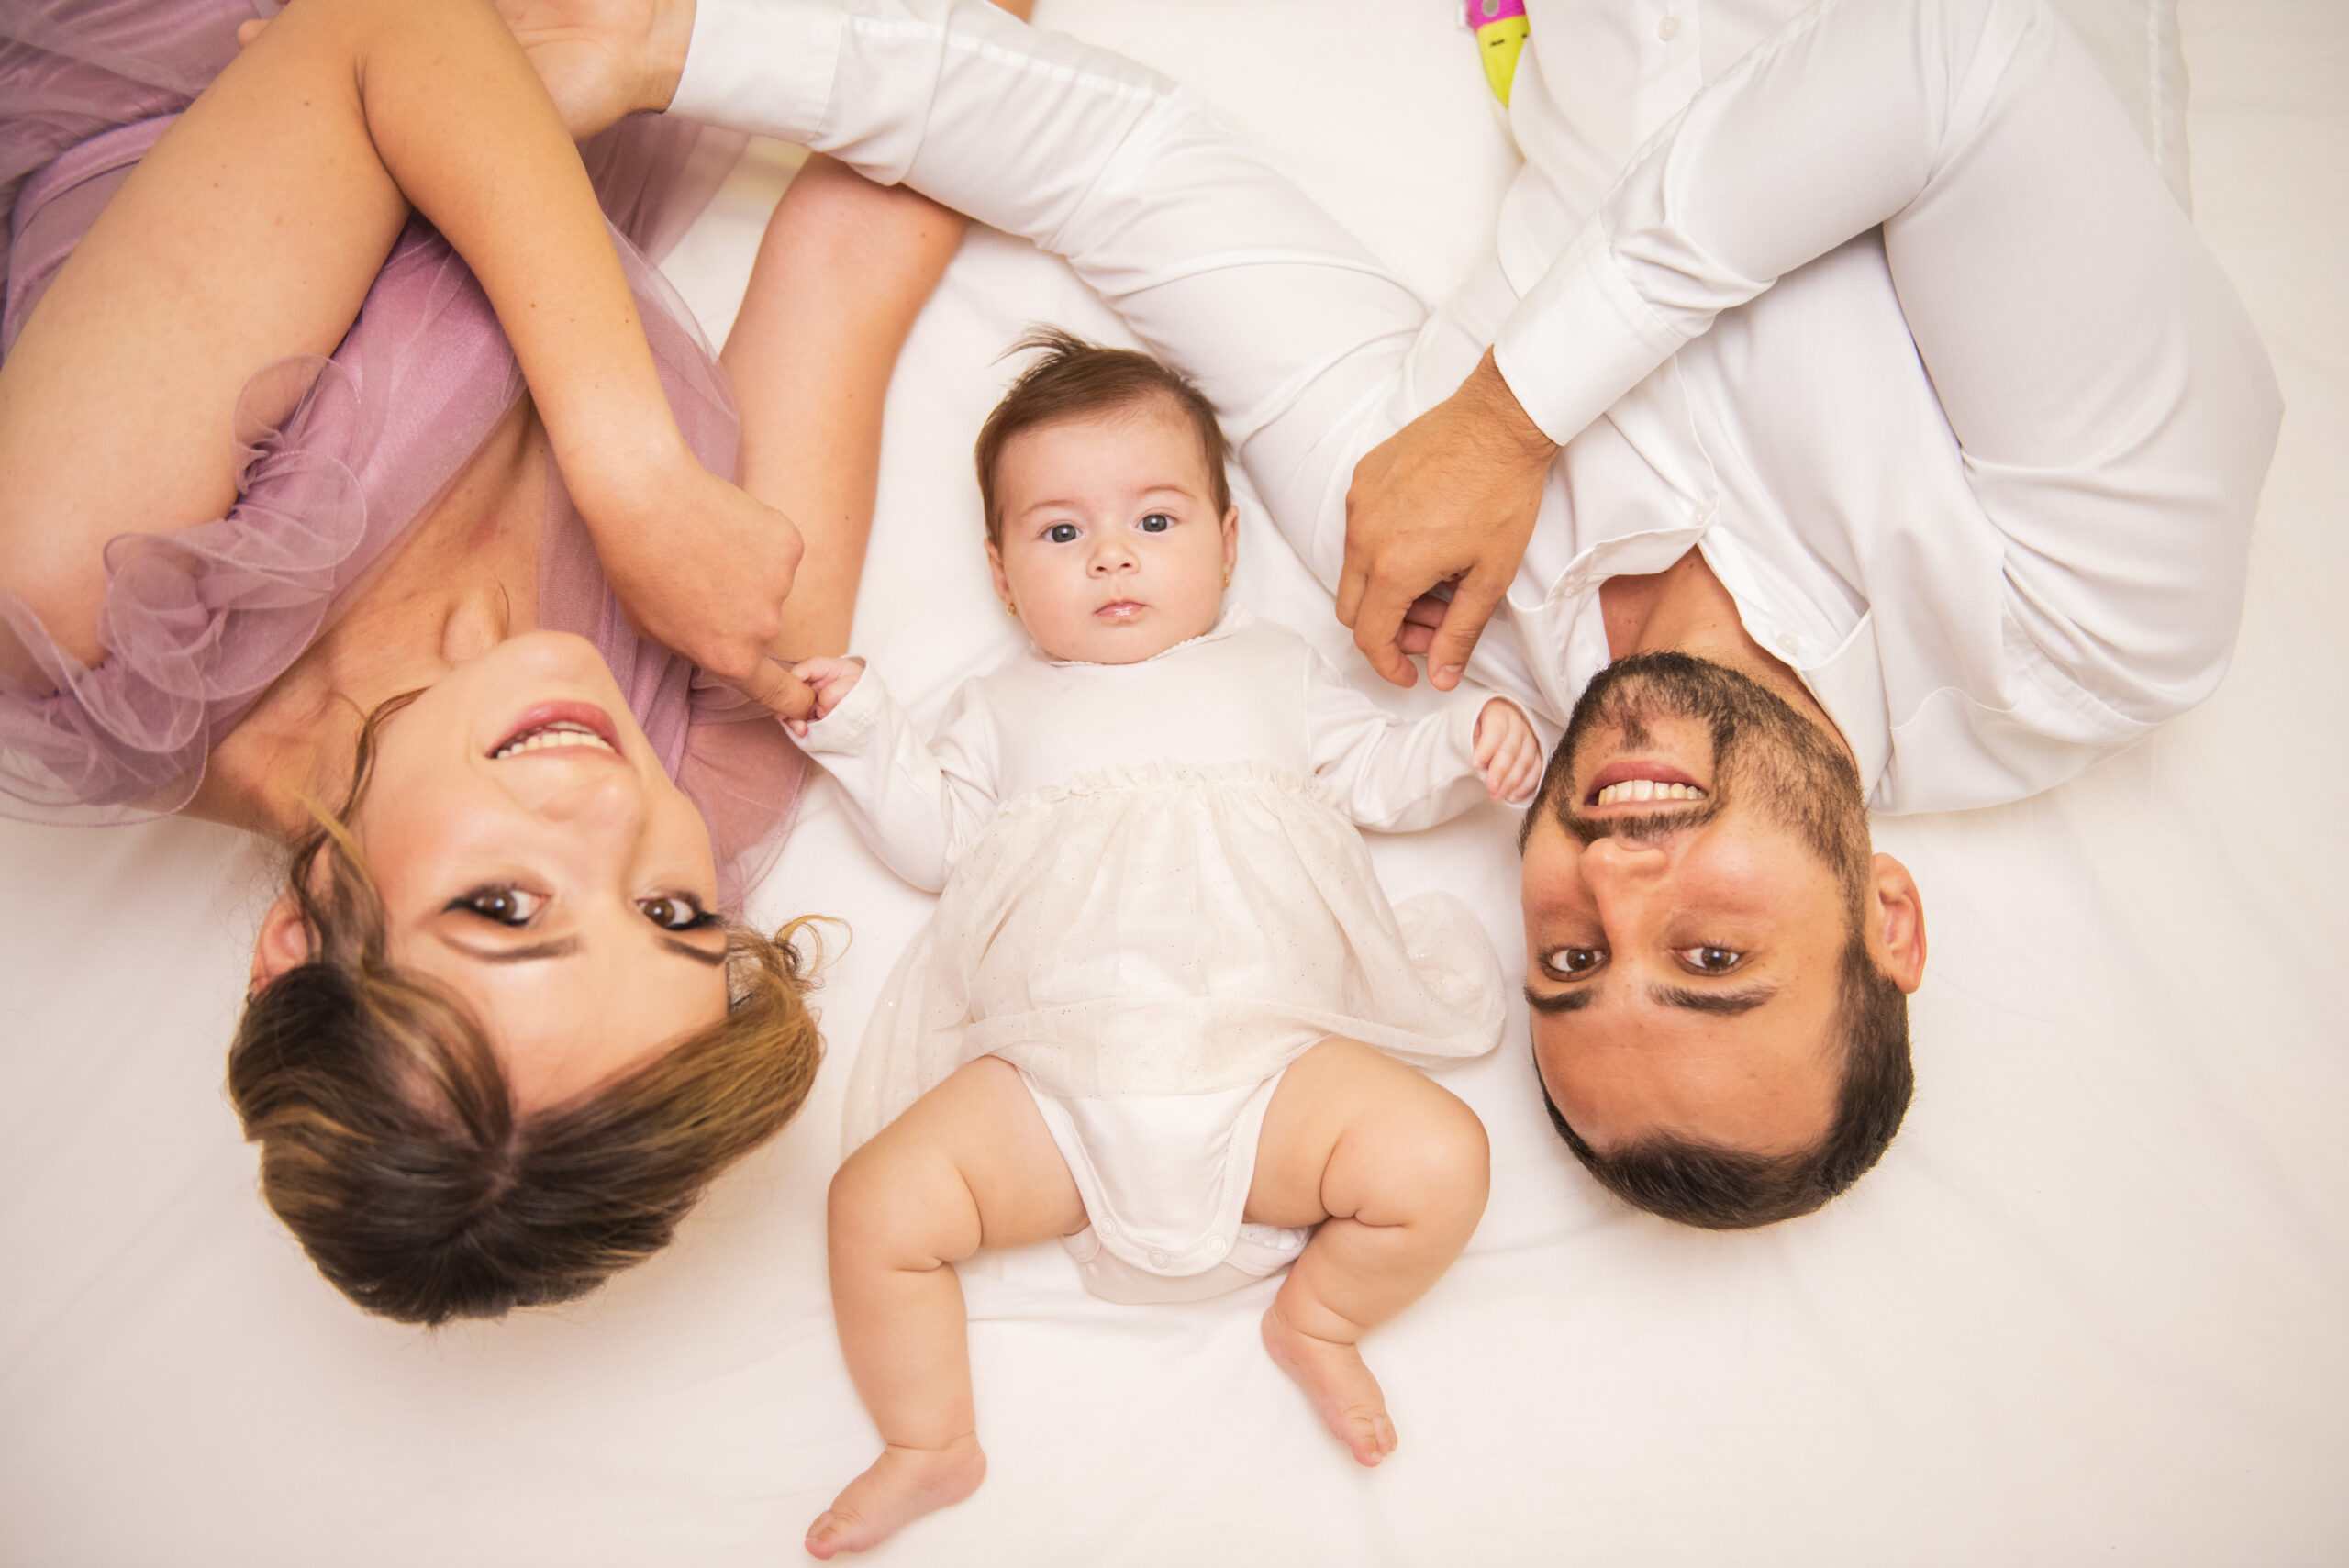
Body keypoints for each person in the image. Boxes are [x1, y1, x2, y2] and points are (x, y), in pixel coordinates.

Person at [648, 0, 2280, 1226]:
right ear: (1889, 917)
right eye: (1710, 952)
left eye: (1570, 955)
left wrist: (668, 41)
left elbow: (1121, 174)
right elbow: (1960, 62)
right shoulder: (2088, 633)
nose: (1615, 880)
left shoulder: (1434, 601)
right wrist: (1506, 418)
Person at [0, 0, 1011, 1320]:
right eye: (673, 916)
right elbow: (853, 244)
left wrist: (635, 479)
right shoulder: (718, 752)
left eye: (503, 906)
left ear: (301, 940)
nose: (607, 811)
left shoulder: (89, 590)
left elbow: (377, 29)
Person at [781, 330, 1540, 1556]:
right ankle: (928, 1437)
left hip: (1272, 1064)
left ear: (1228, 545)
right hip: (1055, 1085)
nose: (1113, 555)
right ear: (1001, 575)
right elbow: (938, 843)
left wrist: (1462, 746)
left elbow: (1376, 775)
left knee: (1442, 1158)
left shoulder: (1275, 672)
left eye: (1155, 519)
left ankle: (1320, 1318)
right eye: (1061, 532)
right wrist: (865, 729)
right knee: (873, 1204)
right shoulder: (997, 709)